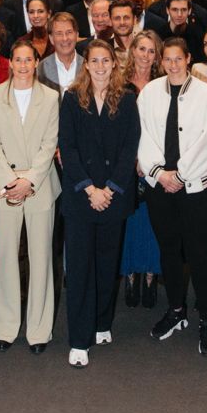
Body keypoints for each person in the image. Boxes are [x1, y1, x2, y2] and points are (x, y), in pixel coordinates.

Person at [137, 35, 207, 354]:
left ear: (188, 59)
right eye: (167, 59)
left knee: (199, 253)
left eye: (178, 58)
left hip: (194, 187)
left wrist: (182, 174)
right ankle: (176, 310)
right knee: (168, 250)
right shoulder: (148, 93)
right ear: (161, 62)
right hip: (161, 186)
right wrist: (160, 173)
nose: (173, 64)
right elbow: (143, 135)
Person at [58, 39, 141, 366]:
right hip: (81, 197)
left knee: (108, 263)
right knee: (79, 269)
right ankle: (79, 340)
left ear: (114, 64)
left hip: (114, 195)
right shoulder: (71, 99)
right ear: (87, 65)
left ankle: (102, 322)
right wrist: (90, 189)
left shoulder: (128, 99)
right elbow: (68, 147)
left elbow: (130, 147)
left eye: (107, 60)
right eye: (95, 60)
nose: (101, 66)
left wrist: (110, 188)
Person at [0, 39, 62, 354]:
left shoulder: (51, 96)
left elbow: (49, 144)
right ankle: (4, 327)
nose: (23, 65)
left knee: (41, 258)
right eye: (17, 59)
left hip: (40, 187)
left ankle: (39, 331)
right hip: (4, 188)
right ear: (10, 62)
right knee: (4, 258)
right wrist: (10, 182)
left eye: (28, 60)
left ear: (36, 62)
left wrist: (29, 180)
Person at [119, 30, 163, 308]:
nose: (146, 55)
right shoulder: (119, 84)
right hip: (125, 161)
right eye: (142, 49)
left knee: (152, 221)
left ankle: (150, 274)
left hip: (154, 162)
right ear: (132, 50)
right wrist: (131, 159)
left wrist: (147, 161)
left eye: (151, 51)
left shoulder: (162, 85)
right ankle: (129, 275)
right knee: (129, 220)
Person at [37, 11, 88, 91]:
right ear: (51, 39)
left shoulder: (88, 66)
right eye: (59, 33)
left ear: (77, 35)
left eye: (69, 32)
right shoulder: (41, 68)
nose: (65, 38)